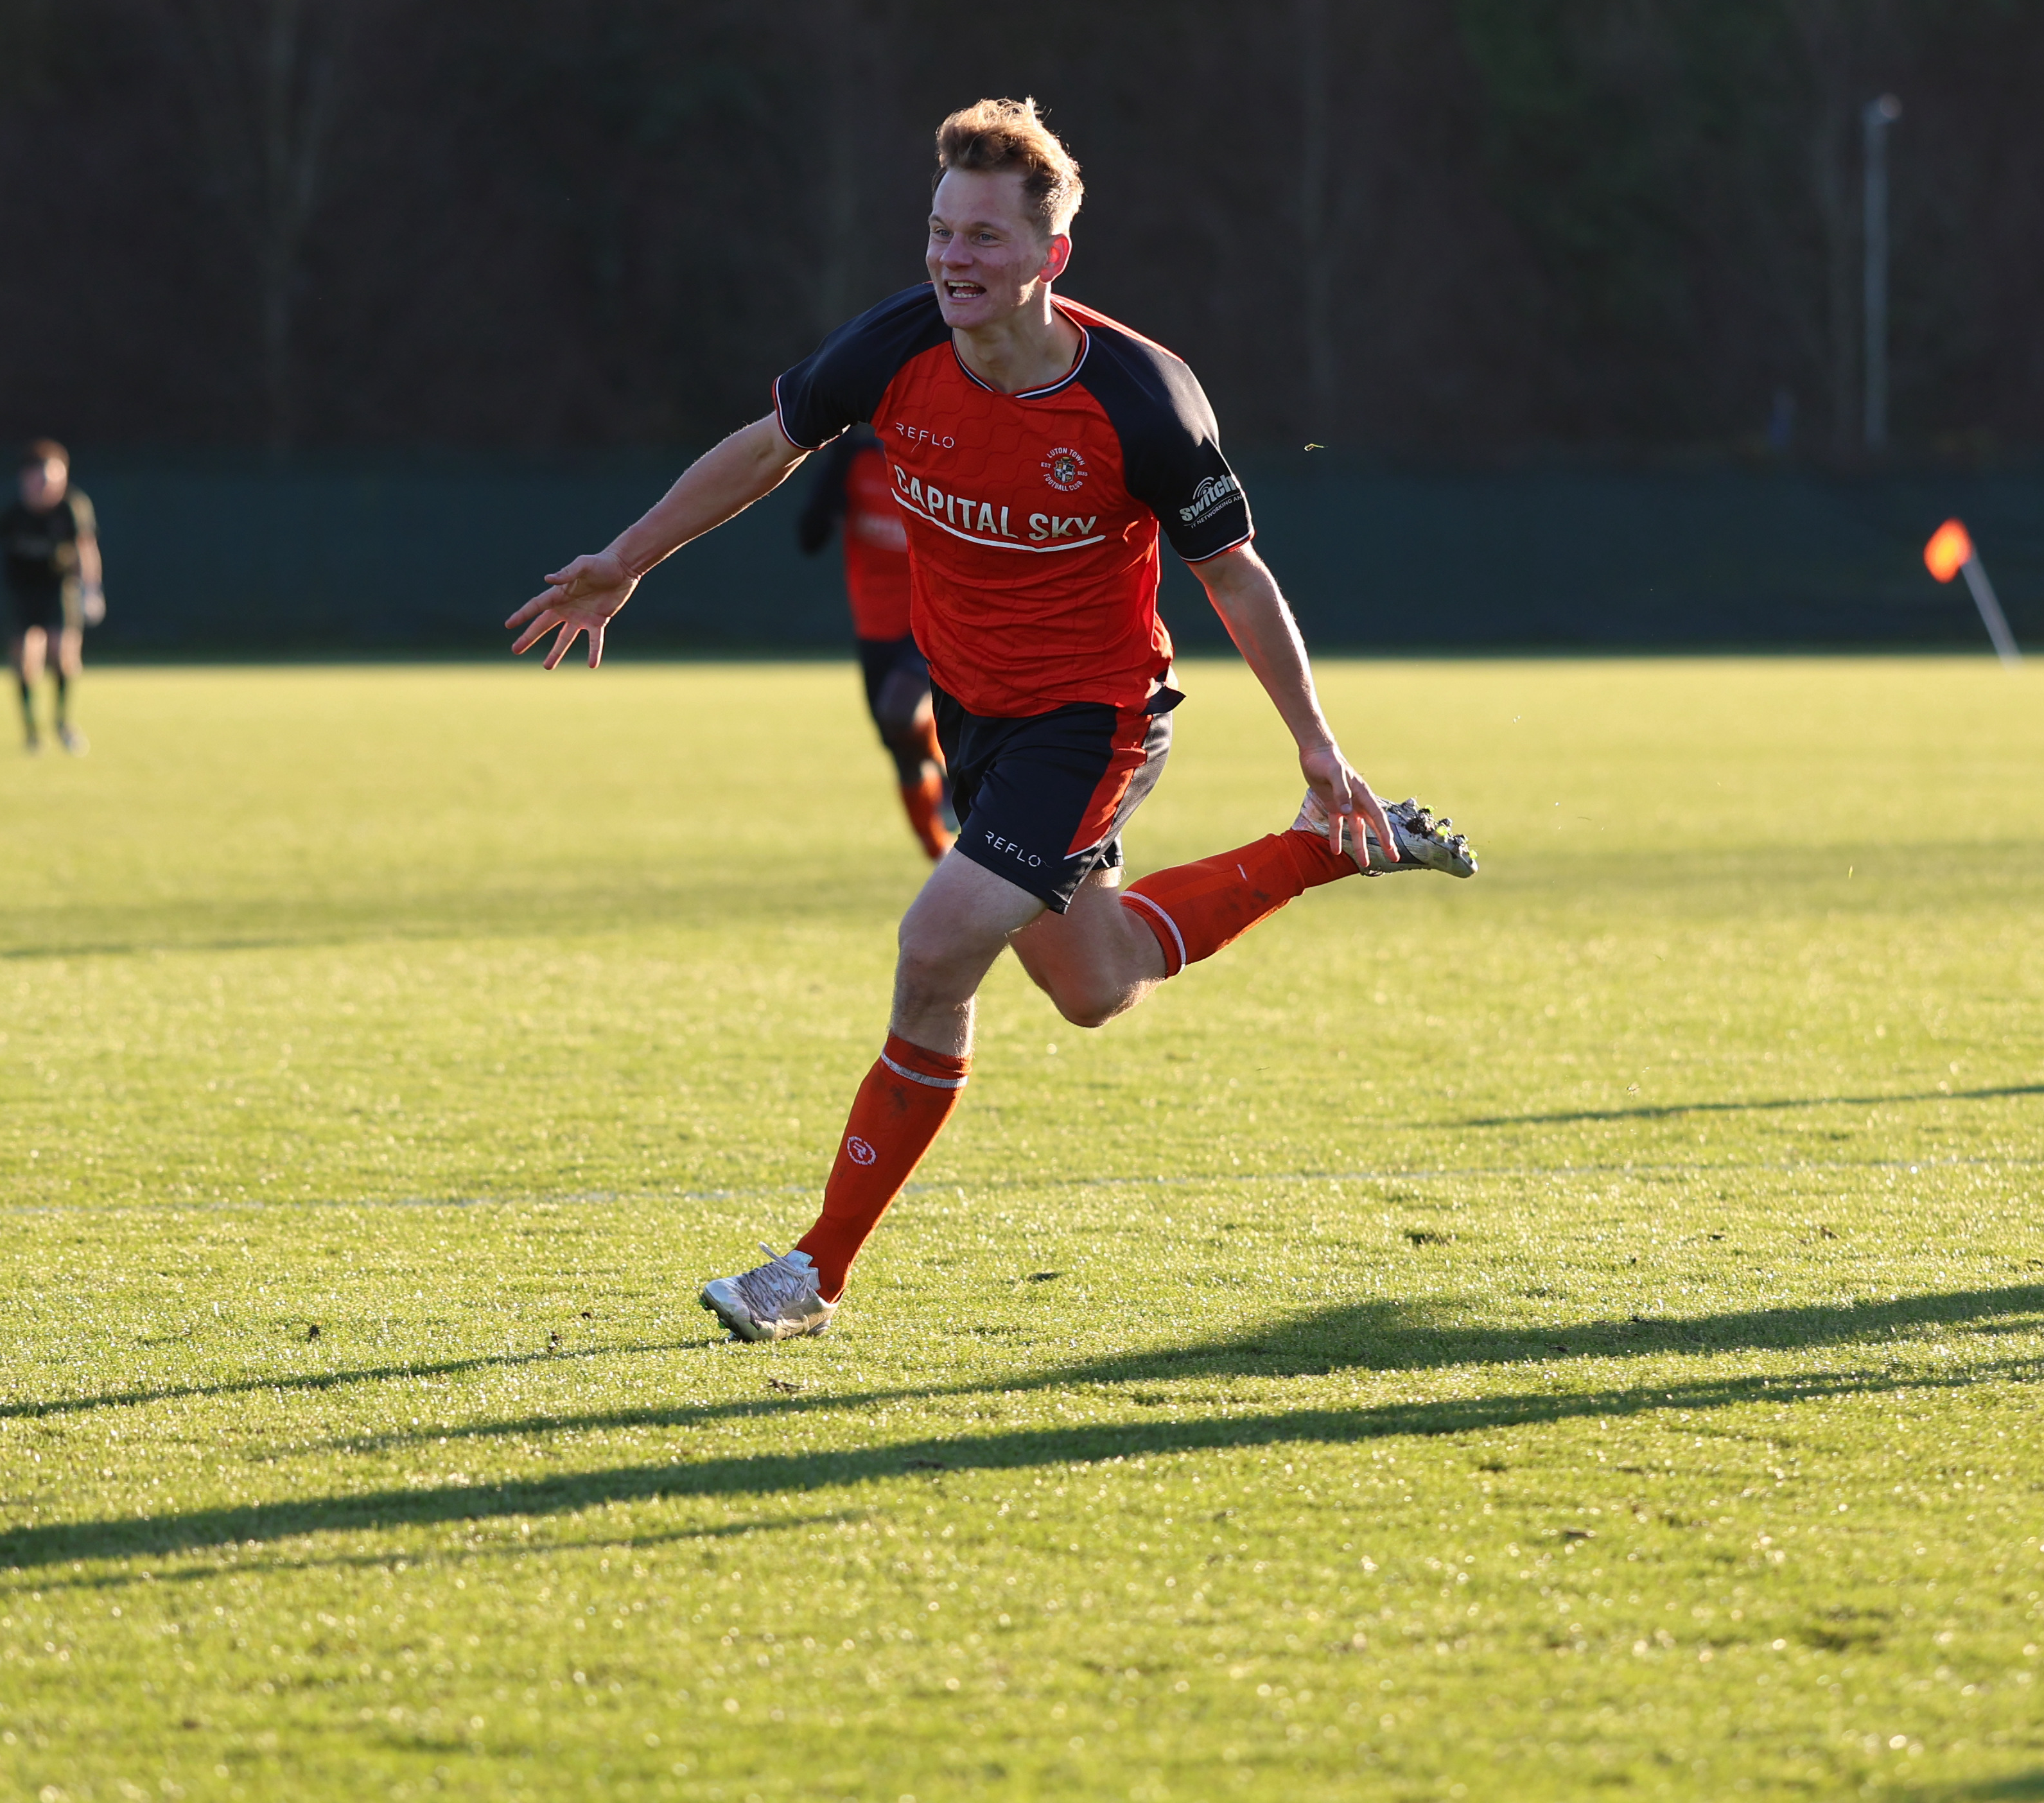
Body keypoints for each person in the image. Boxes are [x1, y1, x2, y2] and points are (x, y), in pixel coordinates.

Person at [509, 98, 1478, 1343]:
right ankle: (1327, 846)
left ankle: (811, 1269)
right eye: (940, 230)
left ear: (1051, 255)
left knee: (934, 947)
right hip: (976, 716)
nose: (954, 259)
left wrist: (1319, 738)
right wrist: (628, 557)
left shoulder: (1143, 400)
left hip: (1096, 720)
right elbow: (769, 446)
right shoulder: (893, 349)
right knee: (1098, 977)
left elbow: (1235, 572)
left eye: (984, 237)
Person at [795, 424, 957, 858]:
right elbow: (810, 537)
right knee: (899, 749)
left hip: (934, 619)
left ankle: (952, 779)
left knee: (899, 711)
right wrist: (834, 464)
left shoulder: (941, 456)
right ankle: (938, 855)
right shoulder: (855, 459)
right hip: (875, 626)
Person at [0, 440, 104, 753]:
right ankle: (32, 732)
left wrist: (91, 590)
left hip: (58, 588)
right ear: (27, 479)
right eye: (42, 481)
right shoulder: (12, 511)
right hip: (21, 590)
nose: (49, 488)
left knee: (64, 655)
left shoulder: (71, 507)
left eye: (56, 480)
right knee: (26, 660)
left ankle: (63, 723)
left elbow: (85, 548)